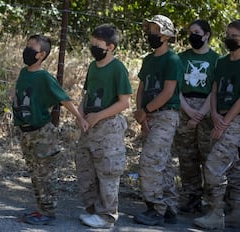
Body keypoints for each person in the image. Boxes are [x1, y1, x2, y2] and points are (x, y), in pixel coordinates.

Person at [12, 34, 89, 225]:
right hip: (27, 132)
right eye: (27, 46)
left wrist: (79, 118)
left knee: (45, 174)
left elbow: (64, 98)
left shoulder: (44, 77)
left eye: (32, 48)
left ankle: (48, 212)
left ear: (41, 55)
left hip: (42, 134)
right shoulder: (24, 72)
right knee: (35, 173)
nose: (27, 50)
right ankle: (41, 209)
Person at [75, 24, 132, 229]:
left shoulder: (118, 68)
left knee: (108, 171)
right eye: (92, 44)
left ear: (110, 47)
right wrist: (80, 113)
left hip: (107, 127)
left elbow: (124, 102)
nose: (93, 48)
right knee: (85, 168)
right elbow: (88, 94)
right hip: (89, 126)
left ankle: (107, 216)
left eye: (97, 45)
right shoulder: (92, 66)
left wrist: (98, 116)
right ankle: (94, 210)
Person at [133, 15, 183, 226]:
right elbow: (142, 88)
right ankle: (170, 207)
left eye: (155, 30)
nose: (150, 34)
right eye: (150, 29)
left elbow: (168, 92)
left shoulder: (172, 60)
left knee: (150, 161)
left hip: (166, 115)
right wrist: (140, 114)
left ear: (165, 36)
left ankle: (156, 208)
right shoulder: (148, 59)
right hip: (149, 116)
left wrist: (145, 110)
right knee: (161, 162)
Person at [193, 19, 240, 230]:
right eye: (228, 35)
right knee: (232, 166)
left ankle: (216, 213)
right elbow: (214, 90)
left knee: (213, 166)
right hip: (219, 117)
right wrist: (213, 114)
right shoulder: (221, 62)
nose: (229, 40)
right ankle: (234, 213)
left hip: (234, 120)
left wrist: (225, 122)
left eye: (234, 37)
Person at [173, 19, 219, 214]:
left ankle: (213, 202)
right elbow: (174, 87)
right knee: (187, 155)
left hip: (208, 109)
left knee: (208, 156)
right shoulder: (180, 58)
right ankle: (191, 197)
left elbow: (215, 90)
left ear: (207, 34)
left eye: (197, 32)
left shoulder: (217, 59)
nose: (193, 36)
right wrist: (188, 111)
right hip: (185, 108)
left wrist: (201, 112)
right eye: (190, 32)